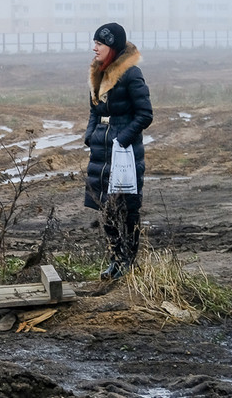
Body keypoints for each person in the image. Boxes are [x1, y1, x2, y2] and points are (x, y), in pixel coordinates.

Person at [83, 22, 153, 280]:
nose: (94, 48)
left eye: (99, 43)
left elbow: (145, 114)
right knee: (107, 209)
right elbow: (94, 109)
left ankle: (128, 264)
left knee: (127, 210)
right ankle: (116, 260)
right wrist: (90, 135)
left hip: (125, 154)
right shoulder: (97, 73)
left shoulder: (132, 74)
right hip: (101, 153)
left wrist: (122, 139)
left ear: (111, 46)